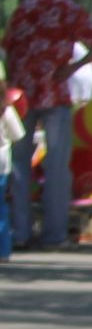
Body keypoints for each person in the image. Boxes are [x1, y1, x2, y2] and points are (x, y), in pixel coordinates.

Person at [1, 0, 92, 249]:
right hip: (55, 92)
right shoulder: (69, 9)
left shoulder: (23, 9)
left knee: (19, 164)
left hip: (21, 95)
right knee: (57, 165)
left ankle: (19, 231)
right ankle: (53, 234)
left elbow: (7, 47)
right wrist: (74, 67)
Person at [0, 71, 26, 262]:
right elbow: (18, 135)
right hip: (1, 163)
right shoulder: (6, 110)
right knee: (1, 207)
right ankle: (3, 250)